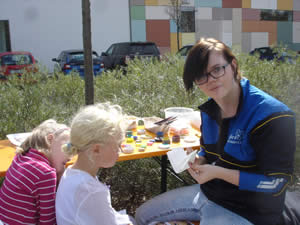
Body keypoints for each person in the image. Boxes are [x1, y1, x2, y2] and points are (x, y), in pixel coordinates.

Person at [135, 38, 296, 225]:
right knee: (142, 215)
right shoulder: (209, 111)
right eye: (201, 76)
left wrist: (217, 172)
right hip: (208, 194)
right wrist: (199, 161)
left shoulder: (273, 115)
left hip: (250, 211)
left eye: (217, 70)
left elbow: (276, 184)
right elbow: (206, 151)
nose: (211, 80)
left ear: (233, 66)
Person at [55, 102, 136, 225]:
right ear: (96, 149)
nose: (120, 151)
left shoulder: (72, 173)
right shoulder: (91, 192)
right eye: (117, 145)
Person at [0, 119, 70, 225]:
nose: (70, 157)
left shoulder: (22, 156)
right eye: (67, 147)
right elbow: (48, 221)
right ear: (50, 140)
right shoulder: (46, 173)